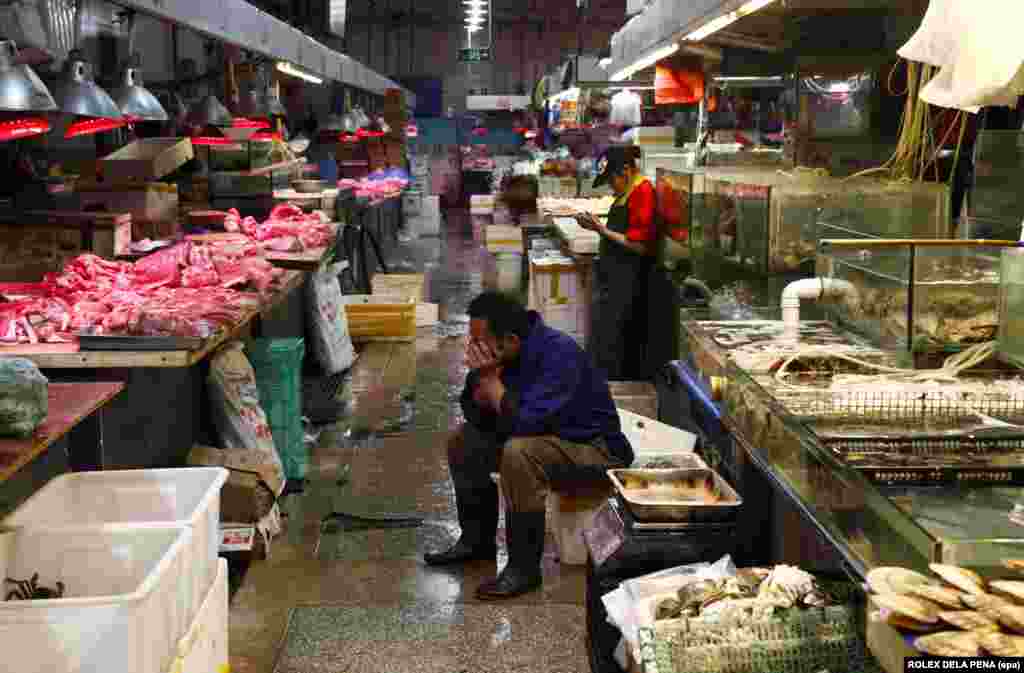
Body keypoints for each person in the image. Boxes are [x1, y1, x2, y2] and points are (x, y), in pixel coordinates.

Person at [424, 291, 633, 599]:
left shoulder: (558, 354)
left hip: (595, 451)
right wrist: (482, 391)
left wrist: (493, 387)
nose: (473, 348)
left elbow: (525, 424)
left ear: (509, 339)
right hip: (548, 439)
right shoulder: (500, 356)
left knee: (519, 453)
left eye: (479, 341)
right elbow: (476, 414)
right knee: (463, 441)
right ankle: (476, 542)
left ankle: (523, 568)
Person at [576, 145, 657, 381]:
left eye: (611, 180)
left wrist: (600, 229)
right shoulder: (628, 192)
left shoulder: (642, 192)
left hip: (628, 283)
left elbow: (639, 245)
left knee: (617, 343)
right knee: (606, 340)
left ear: (626, 170)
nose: (611, 186)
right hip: (614, 280)